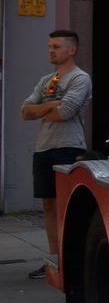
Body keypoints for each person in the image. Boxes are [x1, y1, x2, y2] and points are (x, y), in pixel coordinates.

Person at [20, 30, 92, 279]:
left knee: (65, 206)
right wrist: (51, 105)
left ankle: (71, 259)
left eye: (56, 46)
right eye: (50, 46)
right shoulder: (46, 80)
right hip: (43, 149)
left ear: (71, 50)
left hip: (68, 147)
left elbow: (66, 112)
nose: (51, 50)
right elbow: (24, 111)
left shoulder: (80, 78)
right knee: (48, 205)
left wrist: (44, 109)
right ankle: (55, 259)